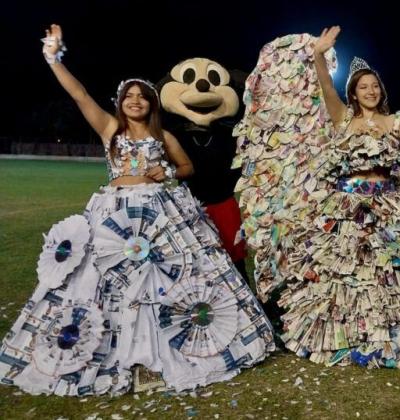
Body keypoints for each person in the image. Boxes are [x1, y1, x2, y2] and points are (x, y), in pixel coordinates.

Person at [0, 25, 275, 396]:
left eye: (142, 97)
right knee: (105, 286)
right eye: (129, 96)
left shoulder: (165, 137)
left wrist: (170, 171)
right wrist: (53, 58)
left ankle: (157, 355)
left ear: (152, 104)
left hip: (160, 214)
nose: (135, 101)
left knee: (160, 286)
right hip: (113, 216)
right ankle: (117, 353)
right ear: (120, 102)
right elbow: (79, 95)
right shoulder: (110, 129)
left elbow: (187, 169)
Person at [264, 26, 400, 368]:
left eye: (374, 85)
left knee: (389, 275)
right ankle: (348, 338)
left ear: (381, 91)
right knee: (346, 276)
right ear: (353, 92)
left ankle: (391, 336)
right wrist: (320, 54)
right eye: (363, 86)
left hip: (386, 205)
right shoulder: (342, 119)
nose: (370, 90)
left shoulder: (394, 123)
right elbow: (324, 87)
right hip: (346, 206)